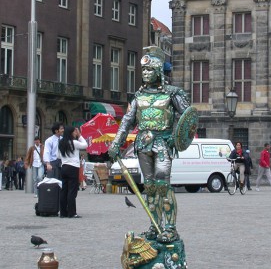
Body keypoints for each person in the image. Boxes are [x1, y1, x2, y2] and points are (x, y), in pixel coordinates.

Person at [108, 46, 193, 243]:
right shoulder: (138, 97)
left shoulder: (172, 93)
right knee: (150, 188)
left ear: (158, 71)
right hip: (143, 146)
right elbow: (128, 122)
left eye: (149, 70)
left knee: (163, 186)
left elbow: (188, 118)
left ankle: (169, 228)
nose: (146, 73)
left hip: (163, 144)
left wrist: (176, 137)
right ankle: (155, 226)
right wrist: (115, 144)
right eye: (143, 71)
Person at [58, 126, 88, 218]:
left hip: (64, 167)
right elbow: (85, 145)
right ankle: (72, 212)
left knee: (64, 190)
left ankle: (63, 212)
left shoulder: (61, 143)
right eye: (75, 132)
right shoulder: (74, 143)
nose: (76, 133)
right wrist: (80, 136)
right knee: (72, 191)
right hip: (73, 168)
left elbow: (58, 156)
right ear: (71, 133)